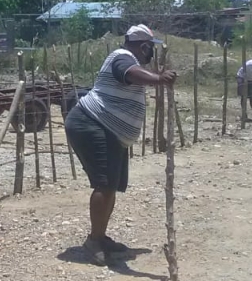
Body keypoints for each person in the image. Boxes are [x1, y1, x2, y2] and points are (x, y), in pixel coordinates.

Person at [64, 23, 177, 266]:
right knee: (104, 184)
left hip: (108, 130)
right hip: (92, 124)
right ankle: (93, 241)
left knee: (111, 185)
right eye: (150, 49)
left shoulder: (129, 60)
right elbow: (129, 73)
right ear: (144, 46)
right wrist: (158, 79)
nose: (151, 54)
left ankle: (100, 236)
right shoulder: (122, 57)